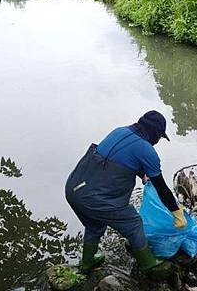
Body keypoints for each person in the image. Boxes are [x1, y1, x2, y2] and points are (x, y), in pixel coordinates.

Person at [65, 111, 187, 276]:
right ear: (155, 133)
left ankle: (87, 263)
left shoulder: (120, 131)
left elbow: (119, 158)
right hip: (94, 198)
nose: (158, 141)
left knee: (94, 224)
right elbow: (161, 188)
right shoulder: (147, 150)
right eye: (159, 137)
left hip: (74, 188)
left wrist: (142, 174)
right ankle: (149, 264)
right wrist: (176, 212)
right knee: (134, 223)